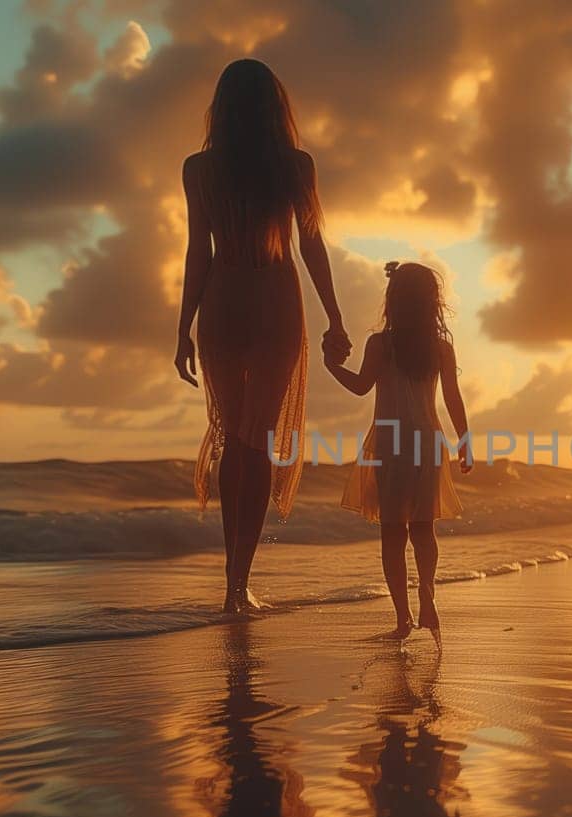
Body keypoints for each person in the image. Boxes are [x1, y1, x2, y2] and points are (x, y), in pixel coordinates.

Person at [173, 59, 351, 613]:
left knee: (233, 439)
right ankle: (241, 579)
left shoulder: (199, 169)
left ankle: (232, 581)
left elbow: (198, 252)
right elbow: (311, 246)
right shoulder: (295, 166)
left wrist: (183, 328)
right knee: (257, 439)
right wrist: (334, 317)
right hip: (276, 301)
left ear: (220, 109)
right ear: (277, 108)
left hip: (222, 303)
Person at [326, 262, 472, 645]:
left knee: (393, 533)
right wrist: (465, 440)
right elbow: (453, 399)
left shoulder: (380, 344)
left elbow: (360, 387)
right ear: (432, 303)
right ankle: (428, 594)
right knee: (424, 529)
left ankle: (403, 618)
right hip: (428, 440)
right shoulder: (440, 348)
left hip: (390, 442)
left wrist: (330, 366)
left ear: (393, 300)